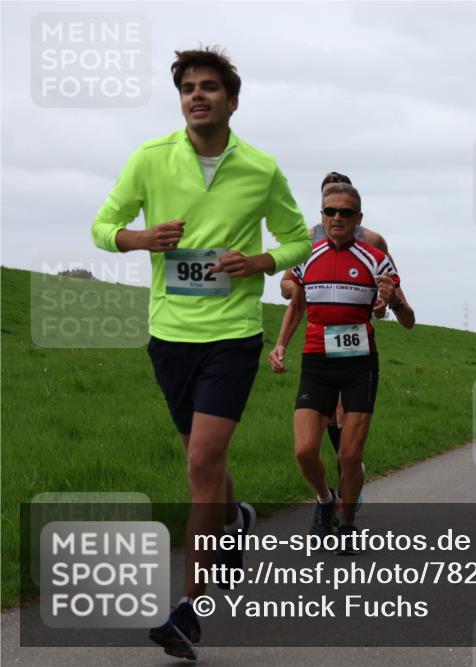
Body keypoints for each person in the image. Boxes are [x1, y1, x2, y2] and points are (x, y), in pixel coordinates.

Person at [91, 47, 312, 660]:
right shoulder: (150, 159)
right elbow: (102, 227)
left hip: (232, 335)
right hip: (170, 336)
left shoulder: (261, 169)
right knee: (203, 462)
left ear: (231, 100)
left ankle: (189, 609)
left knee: (202, 463)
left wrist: (260, 262)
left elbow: (298, 239)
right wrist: (138, 238)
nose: (197, 95)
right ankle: (236, 515)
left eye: (209, 86)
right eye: (188, 87)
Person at [268, 182, 412, 553]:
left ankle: (347, 525)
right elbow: (296, 305)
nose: (336, 218)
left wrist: (391, 300)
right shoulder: (307, 255)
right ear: (321, 215)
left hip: (359, 365)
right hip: (316, 362)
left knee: (349, 456)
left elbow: (406, 317)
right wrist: (281, 345)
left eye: (345, 213)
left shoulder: (374, 258)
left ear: (357, 218)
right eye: (329, 211)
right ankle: (323, 498)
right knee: (304, 450)